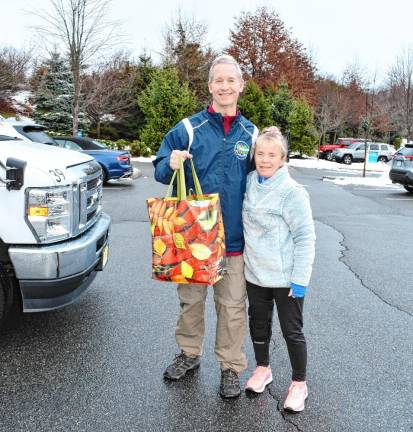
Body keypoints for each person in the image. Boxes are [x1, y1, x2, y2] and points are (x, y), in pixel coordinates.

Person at [153, 55, 258, 398]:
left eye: (232, 80)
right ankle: (189, 354)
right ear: (210, 86)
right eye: (219, 80)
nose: (225, 86)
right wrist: (168, 162)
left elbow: (264, 180)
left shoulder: (251, 134)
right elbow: (159, 166)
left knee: (231, 308)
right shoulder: (188, 129)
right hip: (194, 238)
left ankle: (230, 366)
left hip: (234, 241)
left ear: (241, 85)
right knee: (191, 302)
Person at [242, 127, 316, 412]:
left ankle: (299, 383)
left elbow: (305, 237)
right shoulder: (249, 182)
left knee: (291, 331)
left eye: (272, 155)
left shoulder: (292, 192)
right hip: (256, 274)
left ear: (283, 158)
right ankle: (263, 368)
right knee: (258, 324)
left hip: (286, 278)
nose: (265, 159)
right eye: (260, 153)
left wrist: (300, 280)